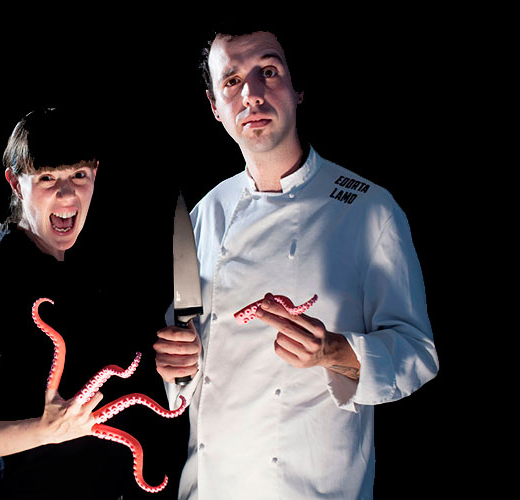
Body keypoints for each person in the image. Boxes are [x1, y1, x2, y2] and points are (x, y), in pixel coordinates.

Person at [153, 24, 439, 499]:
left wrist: (334, 352)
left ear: (297, 88)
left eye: (268, 71)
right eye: (232, 81)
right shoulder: (205, 214)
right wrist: (177, 363)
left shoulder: (367, 209)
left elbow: (417, 354)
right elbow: (186, 358)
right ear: (215, 106)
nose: (252, 94)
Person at [0, 107, 167, 499]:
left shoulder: (91, 271)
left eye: (78, 175)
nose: (66, 193)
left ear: (95, 173)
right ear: (15, 183)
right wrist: (44, 430)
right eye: (46, 178)